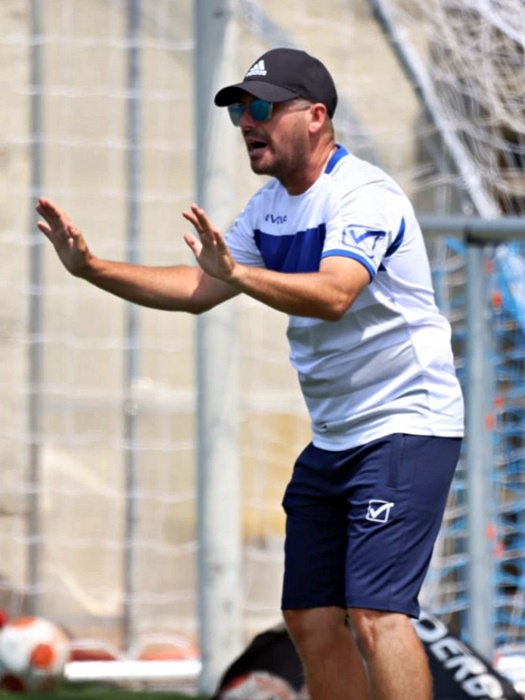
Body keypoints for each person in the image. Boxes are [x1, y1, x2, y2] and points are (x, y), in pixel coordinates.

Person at [36, 47, 464, 700]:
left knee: (377, 613)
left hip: (407, 425)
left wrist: (237, 273)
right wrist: (93, 268)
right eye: (239, 110)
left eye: (262, 106)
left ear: (315, 117)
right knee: (309, 617)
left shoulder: (364, 195)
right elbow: (197, 288)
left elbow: (334, 294)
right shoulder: (268, 207)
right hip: (335, 439)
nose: (246, 122)